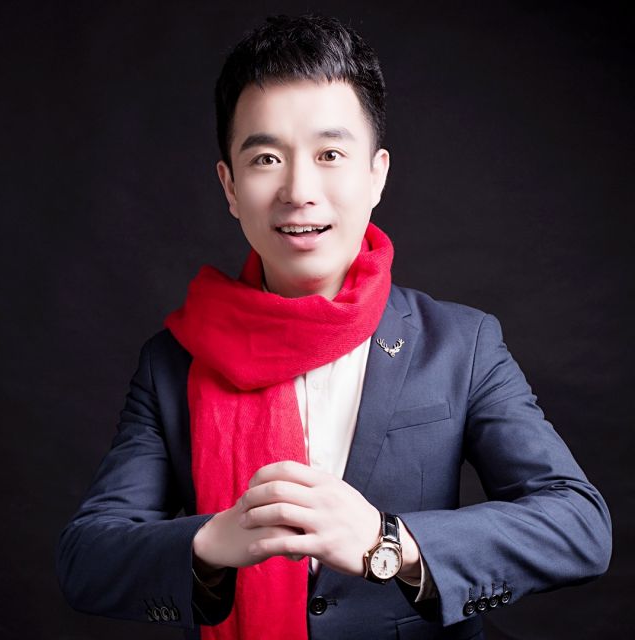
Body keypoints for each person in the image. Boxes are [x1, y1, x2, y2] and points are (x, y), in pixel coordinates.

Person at [57, 14, 612, 640]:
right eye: (266, 158)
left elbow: (579, 525)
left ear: (376, 175)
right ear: (230, 186)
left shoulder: (463, 344)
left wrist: (388, 542)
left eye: (329, 155)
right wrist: (211, 542)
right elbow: (86, 557)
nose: (299, 190)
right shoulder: (173, 361)